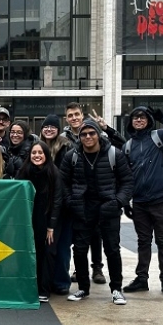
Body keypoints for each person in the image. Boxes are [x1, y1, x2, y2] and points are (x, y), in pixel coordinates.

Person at [59, 120, 134, 305]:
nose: (88, 137)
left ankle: (116, 289)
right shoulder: (72, 156)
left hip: (108, 209)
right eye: (84, 134)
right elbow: (63, 182)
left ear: (99, 134)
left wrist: (117, 202)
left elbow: (127, 182)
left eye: (92, 133)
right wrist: (70, 201)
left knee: (112, 250)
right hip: (82, 209)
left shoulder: (113, 154)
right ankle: (83, 288)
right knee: (79, 250)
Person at [123, 106, 163, 297]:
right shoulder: (128, 146)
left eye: (142, 117)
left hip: (161, 199)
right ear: (130, 122)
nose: (139, 120)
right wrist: (126, 202)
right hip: (140, 202)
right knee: (143, 241)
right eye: (135, 117)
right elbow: (126, 176)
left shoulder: (159, 136)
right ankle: (142, 278)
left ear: (149, 120)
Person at [16, 141, 63, 303]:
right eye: (34, 153)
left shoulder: (54, 172)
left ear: (46, 155)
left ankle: (44, 289)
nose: (37, 156)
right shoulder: (24, 171)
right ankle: (30, 286)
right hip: (29, 219)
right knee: (32, 252)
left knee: (47, 254)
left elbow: (57, 200)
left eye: (40, 153)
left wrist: (52, 226)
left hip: (49, 220)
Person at [39, 114, 74, 295]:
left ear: (58, 130)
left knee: (62, 246)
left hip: (63, 206)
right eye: (46, 126)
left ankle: (61, 281)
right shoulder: (37, 148)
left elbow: (66, 178)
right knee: (47, 246)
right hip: (45, 205)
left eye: (53, 127)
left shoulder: (66, 148)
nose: (49, 129)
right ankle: (47, 280)